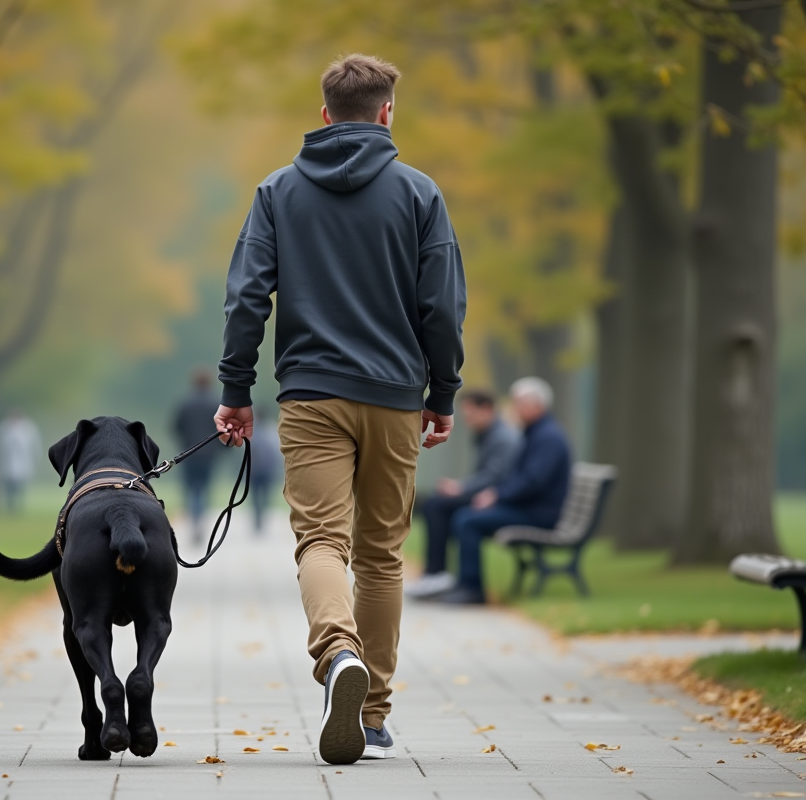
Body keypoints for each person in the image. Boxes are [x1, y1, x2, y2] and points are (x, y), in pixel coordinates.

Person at [213, 54, 465, 765]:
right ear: (387, 112)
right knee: (381, 557)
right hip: (392, 398)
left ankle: (336, 653)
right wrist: (441, 394)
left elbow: (245, 298)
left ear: (325, 114)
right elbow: (441, 307)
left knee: (321, 541)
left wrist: (236, 391)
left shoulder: (277, 192)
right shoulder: (420, 194)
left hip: (311, 396)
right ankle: (375, 717)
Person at [438, 377, 572, 606]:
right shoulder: (536, 433)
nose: (514, 408)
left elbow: (533, 482)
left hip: (540, 513)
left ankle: (472, 589)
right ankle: (463, 584)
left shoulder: (547, 437)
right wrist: (497, 494)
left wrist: (497, 495)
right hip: (530, 507)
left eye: (519, 403)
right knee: (466, 514)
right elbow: (523, 478)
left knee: (467, 519)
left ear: (537, 405)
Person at [404, 389, 520, 599]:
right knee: (435, 503)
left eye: (470, 415)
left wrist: (462, 488)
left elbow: (495, 475)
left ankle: (438, 574)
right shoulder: (490, 434)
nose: (467, 420)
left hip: (497, 498)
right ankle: (437, 574)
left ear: (486, 409)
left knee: (439, 506)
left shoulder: (502, 437)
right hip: (491, 495)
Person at [172, 368, 221, 541]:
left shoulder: (185, 403)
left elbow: (176, 427)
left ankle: (194, 521)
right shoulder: (216, 403)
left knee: (191, 488)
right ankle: (200, 521)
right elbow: (221, 429)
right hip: (209, 454)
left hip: (188, 453)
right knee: (203, 488)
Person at [0, 408, 43, 513]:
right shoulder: (3, 428)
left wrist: (38, 457)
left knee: (19, 486)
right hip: (6, 463)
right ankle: (10, 507)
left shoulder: (28, 428)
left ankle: (17, 507)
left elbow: (35, 445)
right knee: (8, 488)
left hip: (23, 463)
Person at [248, 407, 283, 534]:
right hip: (267, 469)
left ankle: (258, 517)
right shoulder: (271, 430)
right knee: (264, 495)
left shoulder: (252, 430)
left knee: (256, 495)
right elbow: (276, 450)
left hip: (254, 469)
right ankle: (260, 517)